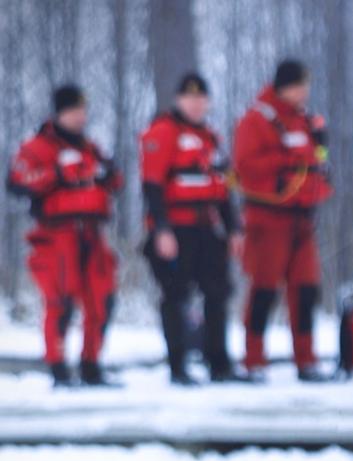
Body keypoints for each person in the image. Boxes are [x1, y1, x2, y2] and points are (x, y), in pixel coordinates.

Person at [8, 84, 123, 387]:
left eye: (82, 111)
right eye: (73, 111)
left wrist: (105, 174)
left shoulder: (92, 147)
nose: (79, 117)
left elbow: (115, 179)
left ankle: (91, 364)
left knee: (102, 298)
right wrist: (57, 175)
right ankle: (58, 367)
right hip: (57, 234)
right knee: (60, 301)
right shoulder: (37, 147)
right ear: (59, 112)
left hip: (93, 233)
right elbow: (17, 181)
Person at [232, 59, 334, 381]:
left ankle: (306, 359)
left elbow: (317, 165)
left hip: (303, 220)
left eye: (306, 86)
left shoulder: (305, 121)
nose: (304, 93)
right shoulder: (257, 120)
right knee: (263, 289)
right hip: (268, 219)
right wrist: (294, 158)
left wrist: (319, 150)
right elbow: (246, 165)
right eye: (298, 86)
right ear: (283, 86)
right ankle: (253, 359)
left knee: (305, 290)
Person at [139, 72, 240, 386]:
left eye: (201, 98)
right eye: (189, 98)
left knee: (218, 293)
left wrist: (234, 229)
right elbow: (152, 186)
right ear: (178, 101)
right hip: (176, 229)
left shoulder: (212, 139)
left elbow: (224, 189)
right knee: (176, 295)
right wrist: (161, 231)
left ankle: (219, 364)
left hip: (207, 229)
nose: (196, 104)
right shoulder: (164, 132)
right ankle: (178, 366)